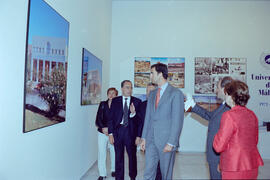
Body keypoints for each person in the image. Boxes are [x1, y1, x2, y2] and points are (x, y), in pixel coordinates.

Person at [140, 63, 184, 180]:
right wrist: (143, 137)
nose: (150, 76)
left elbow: (177, 121)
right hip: (150, 140)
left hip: (166, 142)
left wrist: (171, 143)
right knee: (148, 173)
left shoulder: (176, 93)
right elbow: (148, 117)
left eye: (151, 73)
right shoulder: (153, 94)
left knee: (166, 175)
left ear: (160, 74)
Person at [213, 80, 264, 179]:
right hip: (252, 165)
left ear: (232, 97)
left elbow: (218, 146)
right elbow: (254, 141)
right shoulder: (252, 115)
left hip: (234, 167)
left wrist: (216, 134)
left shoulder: (228, 115)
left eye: (227, 94)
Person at [184, 76, 233, 179]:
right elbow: (210, 116)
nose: (216, 91)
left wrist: (222, 161)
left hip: (219, 158)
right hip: (215, 156)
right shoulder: (224, 106)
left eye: (218, 87)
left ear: (224, 90)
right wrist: (193, 105)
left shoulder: (229, 109)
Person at [108, 80, 142, 180]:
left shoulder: (137, 101)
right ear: (122, 88)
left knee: (132, 157)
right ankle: (119, 178)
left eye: (131, 87)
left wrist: (133, 113)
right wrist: (110, 134)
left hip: (131, 133)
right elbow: (111, 118)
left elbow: (140, 121)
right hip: (118, 132)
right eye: (127, 87)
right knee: (118, 157)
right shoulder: (115, 101)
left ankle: (132, 177)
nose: (129, 90)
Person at [139, 83, 162, 180]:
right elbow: (140, 122)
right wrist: (140, 138)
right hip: (147, 139)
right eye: (147, 91)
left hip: (160, 139)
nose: (149, 93)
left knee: (160, 165)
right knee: (150, 165)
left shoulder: (161, 105)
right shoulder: (142, 105)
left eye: (151, 90)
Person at [95, 87, 118, 180]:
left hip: (114, 133)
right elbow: (98, 119)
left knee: (114, 151)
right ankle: (102, 173)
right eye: (109, 93)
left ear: (116, 95)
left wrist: (111, 130)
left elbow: (119, 120)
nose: (111, 95)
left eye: (113, 93)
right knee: (102, 152)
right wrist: (103, 128)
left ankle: (113, 170)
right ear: (107, 94)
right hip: (102, 132)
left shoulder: (118, 106)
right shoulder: (102, 104)